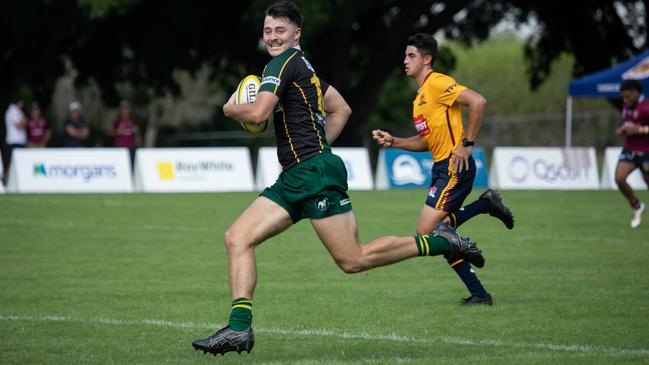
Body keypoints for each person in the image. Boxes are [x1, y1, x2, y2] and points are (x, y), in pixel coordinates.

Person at [192, 1, 485, 356]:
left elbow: (258, 112)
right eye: (268, 31)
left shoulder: (282, 63)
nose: (272, 37)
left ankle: (444, 243)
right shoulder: (306, 69)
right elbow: (341, 107)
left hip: (312, 172)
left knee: (353, 260)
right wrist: (317, 146)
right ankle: (239, 329)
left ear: (296, 33)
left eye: (280, 30)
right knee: (237, 237)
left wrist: (229, 108)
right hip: (300, 173)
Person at [372, 33, 514, 306]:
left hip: (455, 165)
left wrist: (467, 144)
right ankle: (480, 293)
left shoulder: (438, 82)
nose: (405, 60)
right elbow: (427, 141)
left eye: (411, 55)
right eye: (405, 55)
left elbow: (478, 102)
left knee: (429, 231)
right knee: (441, 235)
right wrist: (395, 141)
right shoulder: (420, 97)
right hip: (440, 167)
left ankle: (485, 206)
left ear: (427, 59)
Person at [615, 79, 649, 228]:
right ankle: (636, 206)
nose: (625, 99)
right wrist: (623, 128)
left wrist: (640, 130)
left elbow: (640, 127)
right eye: (623, 97)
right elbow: (629, 122)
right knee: (619, 178)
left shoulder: (646, 107)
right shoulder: (626, 105)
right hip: (630, 149)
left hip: (647, 152)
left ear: (636, 93)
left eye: (627, 96)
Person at [3, 96, 26, 184]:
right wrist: (24, 122)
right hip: (14, 141)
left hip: (18, 141)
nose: (23, 105)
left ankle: (10, 182)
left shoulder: (17, 111)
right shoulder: (12, 111)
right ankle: (6, 182)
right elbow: (19, 126)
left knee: (15, 163)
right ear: (18, 102)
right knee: (11, 162)